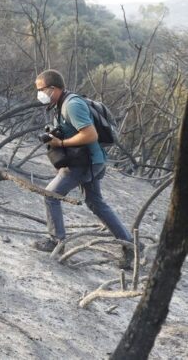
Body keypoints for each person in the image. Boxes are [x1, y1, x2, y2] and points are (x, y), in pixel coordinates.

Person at [32, 69, 135, 268]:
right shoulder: (60, 103)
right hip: (91, 159)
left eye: (41, 89)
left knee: (51, 194)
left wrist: (61, 144)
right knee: (95, 202)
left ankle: (56, 241)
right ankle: (129, 245)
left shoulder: (72, 105)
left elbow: (90, 135)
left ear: (53, 88)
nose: (39, 94)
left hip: (86, 162)